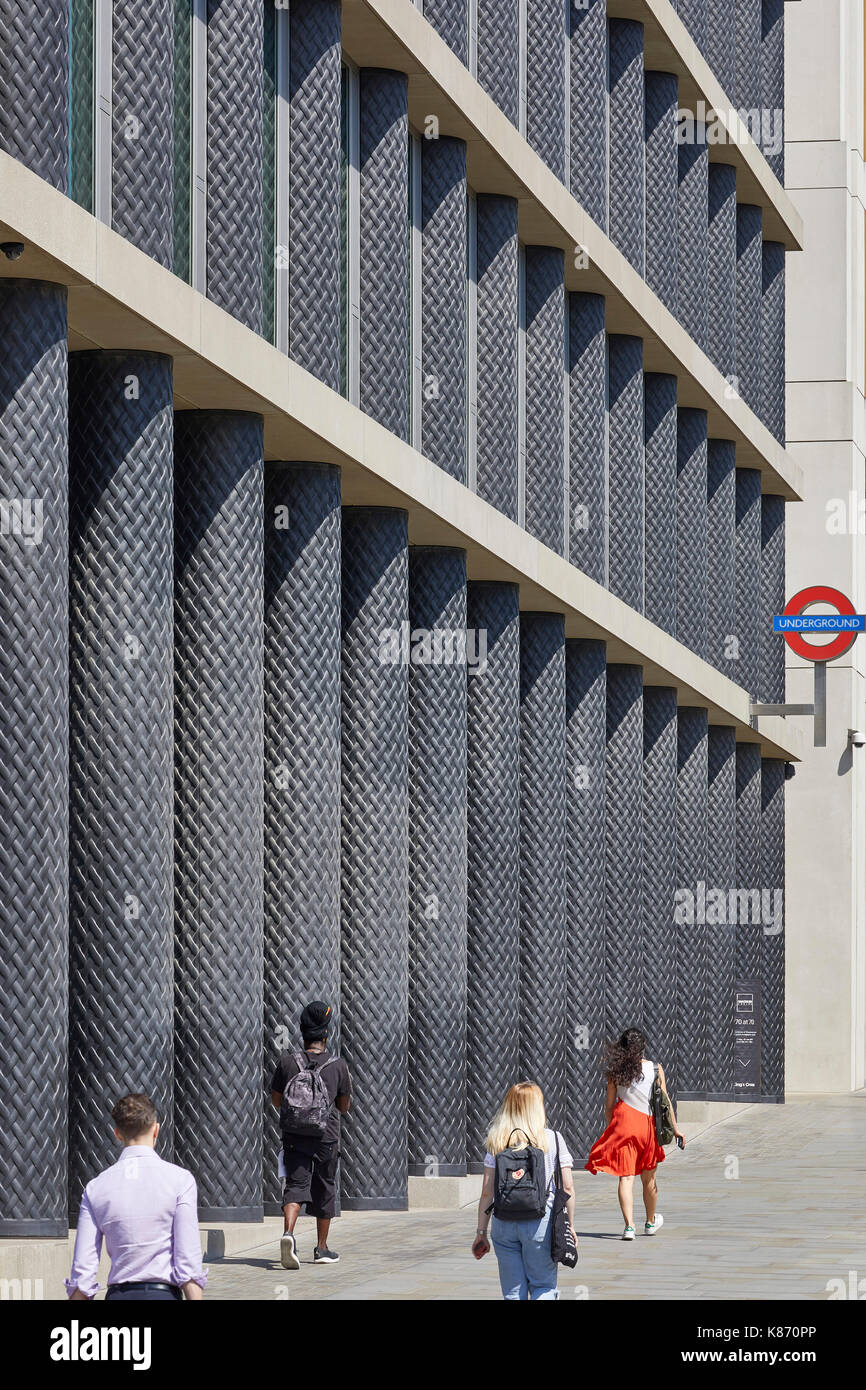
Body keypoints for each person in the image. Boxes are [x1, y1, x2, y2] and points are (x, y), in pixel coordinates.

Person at [66, 1094, 206, 1301]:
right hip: (163, 1295)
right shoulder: (180, 1181)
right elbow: (188, 1261)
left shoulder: (95, 1187)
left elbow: (83, 1272)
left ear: (117, 1134)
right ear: (156, 1129)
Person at [471, 1081, 576, 1300]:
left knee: (513, 1292)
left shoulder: (497, 1141)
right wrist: (569, 1226)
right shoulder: (553, 1139)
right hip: (541, 1222)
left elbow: (487, 1193)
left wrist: (481, 1232)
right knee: (543, 1286)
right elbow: (567, 1187)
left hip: (504, 1222)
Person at [270, 1000, 351, 1271]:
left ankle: (288, 1234)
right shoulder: (338, 1066)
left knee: (295, 1184)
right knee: (325, 1187)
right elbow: (343, 1107)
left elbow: (277, 1101)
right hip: (326, 1137)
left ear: (302, 1033)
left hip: (294, 1135)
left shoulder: (286, 1063)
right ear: (326, 1035)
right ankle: (322, 1248)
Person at [584, 1027, 686, 1239]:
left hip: (623, 1125)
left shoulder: (615, 1072)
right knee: (649, 1178)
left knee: (626, 1178)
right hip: (647, 1127)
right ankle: (650, 1222)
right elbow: (665, 1102)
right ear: (642, 1047)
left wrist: (611, 1127)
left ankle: (629, 1227)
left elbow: (609, 1106)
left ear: (622, 1046)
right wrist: (676, 1130)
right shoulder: (656, 1069)